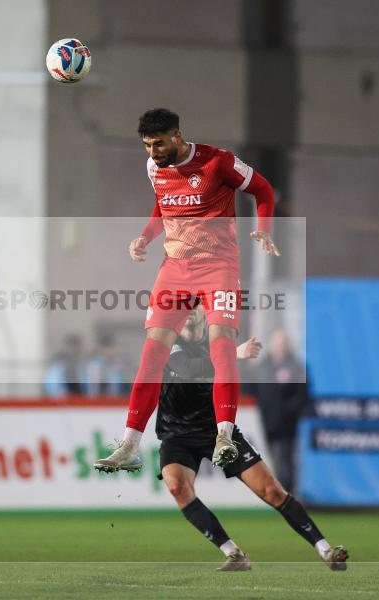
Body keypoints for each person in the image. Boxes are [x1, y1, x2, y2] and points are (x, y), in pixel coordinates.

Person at [95, 108, 279, 473]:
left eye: (159, 144)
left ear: (177, 137)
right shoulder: (154, 167)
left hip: (218, 267)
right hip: (175, 269)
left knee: (221, 346)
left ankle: (224, 437)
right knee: (152, 356)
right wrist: (144, 237)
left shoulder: (217, 162)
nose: (153, 152)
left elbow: (263, 190)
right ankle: (129, 446)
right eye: (147, 145)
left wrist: (264, 228)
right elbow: (164, 207)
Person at [156, 308, 348, 572]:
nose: (187, 309)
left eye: (195, 304)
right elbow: (186, 369)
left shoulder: (217, 342)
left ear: (205, 312)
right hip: (176, 434)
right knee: (178, 487)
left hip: (218, 431)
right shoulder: (169, 341)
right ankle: (233, 553)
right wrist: (234, 353)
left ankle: (326, 550)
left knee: (272, 491)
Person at [248, 327, 311, 496]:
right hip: (265, 422)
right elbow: (250, 392)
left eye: (283, 343)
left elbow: (302, 395)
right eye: (277, 343)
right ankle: (269, 493)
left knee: (286, 461)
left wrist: (289, 412)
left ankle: (287, 494)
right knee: (265, 459)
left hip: (287, 425)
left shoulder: (296, 368)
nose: (280, 346)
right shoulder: (262, 368)